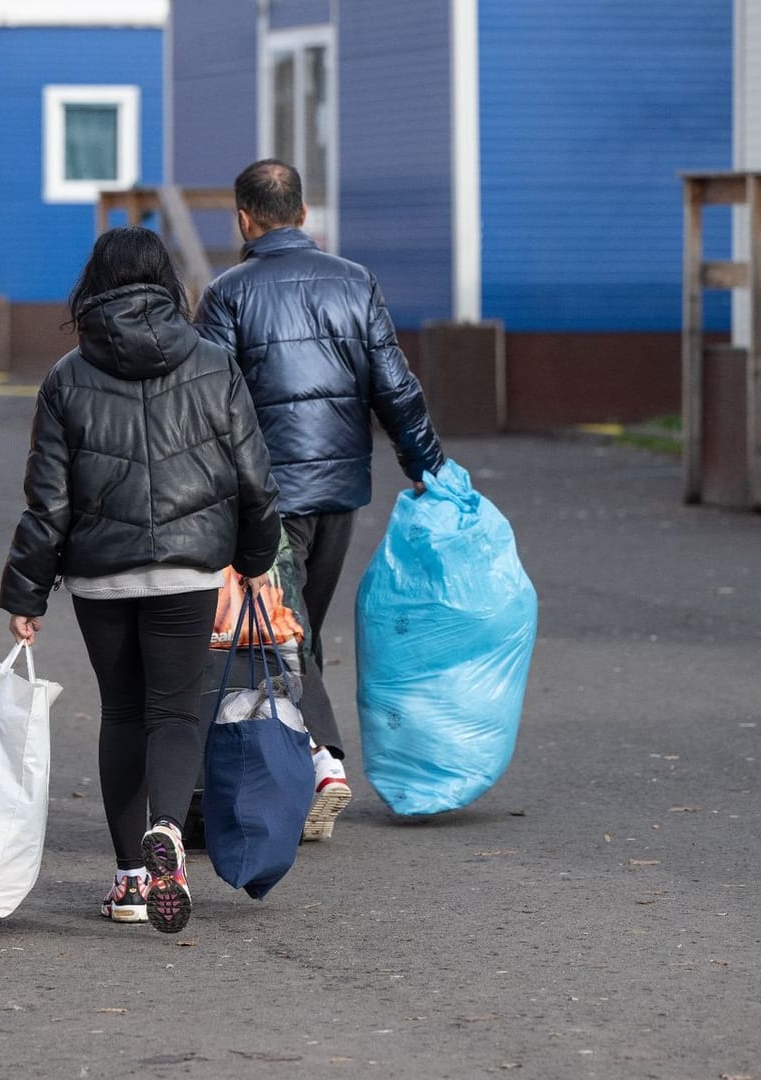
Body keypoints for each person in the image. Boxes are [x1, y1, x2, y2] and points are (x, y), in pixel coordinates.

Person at [0, 227, 280, 935]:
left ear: (93, 284)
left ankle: (130, 880)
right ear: (166, 280)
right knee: (176, 713)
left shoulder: (67, 376)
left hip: (100, 576)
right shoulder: (214, 364)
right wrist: (254, 559)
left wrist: (26, 594)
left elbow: (49, 500)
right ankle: (169, 833)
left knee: (122, 714)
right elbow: (256, 480)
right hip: (189, 569)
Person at [195, 159, 447, 843]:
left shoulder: (227, 293)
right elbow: (394, 385)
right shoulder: (355, 282)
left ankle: (321, 759)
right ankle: (303, 766)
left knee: (284, 630)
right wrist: (428, 465)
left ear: (244, 219)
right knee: (297, 626)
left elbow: (208, 400)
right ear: (304, 214)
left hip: (267, 494)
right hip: (341, 490)